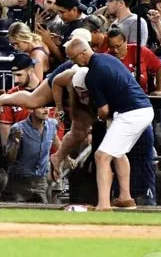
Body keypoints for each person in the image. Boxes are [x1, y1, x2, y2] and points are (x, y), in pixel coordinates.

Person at [64, 38, 153, 210]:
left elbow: (103, 110)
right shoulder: (108, 57)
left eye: (74, 58)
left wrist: (96, 117)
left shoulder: (93, 74)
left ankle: (103, 205)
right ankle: (125, 198)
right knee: (118, 153)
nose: (73, 62)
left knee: (101, 156)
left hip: (130, 113)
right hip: (142, 109)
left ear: (83, 54)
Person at [3, 107, 60, 203]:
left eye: (47, 107)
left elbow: (56, 141)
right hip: (19, 182)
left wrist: (66, 157)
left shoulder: (52, 125)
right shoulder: (18, 128)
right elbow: (9, 158)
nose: (46, 110)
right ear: (30, 109)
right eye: (41, 107)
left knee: (43, 214)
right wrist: (15, 142)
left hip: (41, 182)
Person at [0, 53, 41, 145]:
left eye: (19, 75)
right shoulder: (11, 95)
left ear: (30, 71)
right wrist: (8, 153)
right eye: (14, 75)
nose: (16, 80)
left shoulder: (46, 92)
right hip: (22, 148)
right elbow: (5, 126)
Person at [107, 28, 161, 95]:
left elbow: (159, 67)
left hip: (140, 97)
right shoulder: (106, 58)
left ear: (125, 41)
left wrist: (159, 90)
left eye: (118, 46)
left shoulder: (140, 51)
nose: (115, 50)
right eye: (112, 47)